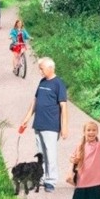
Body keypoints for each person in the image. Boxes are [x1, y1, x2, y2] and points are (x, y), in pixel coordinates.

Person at [19, 57, 69, 192]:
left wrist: (64, 127)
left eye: (41, 68)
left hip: (51, 125)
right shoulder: (42, 82)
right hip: (39, 124)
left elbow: (63, 107)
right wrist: (27, 118)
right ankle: (40, 177)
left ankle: (50, 180)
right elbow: (35, 101)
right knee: (40, 154)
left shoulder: (58, 84)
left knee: (50, 153)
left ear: (50, 68)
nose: (40, 71)